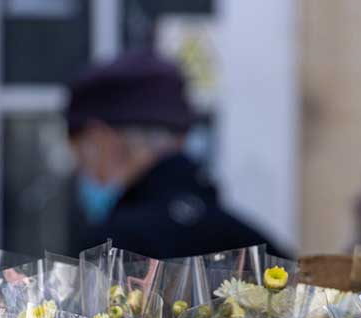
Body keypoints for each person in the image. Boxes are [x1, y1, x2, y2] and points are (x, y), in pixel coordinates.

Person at [65, 53, 280, 259]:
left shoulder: (111, 249)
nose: (81, 171)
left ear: (101, 139)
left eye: (80, 155)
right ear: (182, 137)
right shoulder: (258, 250)